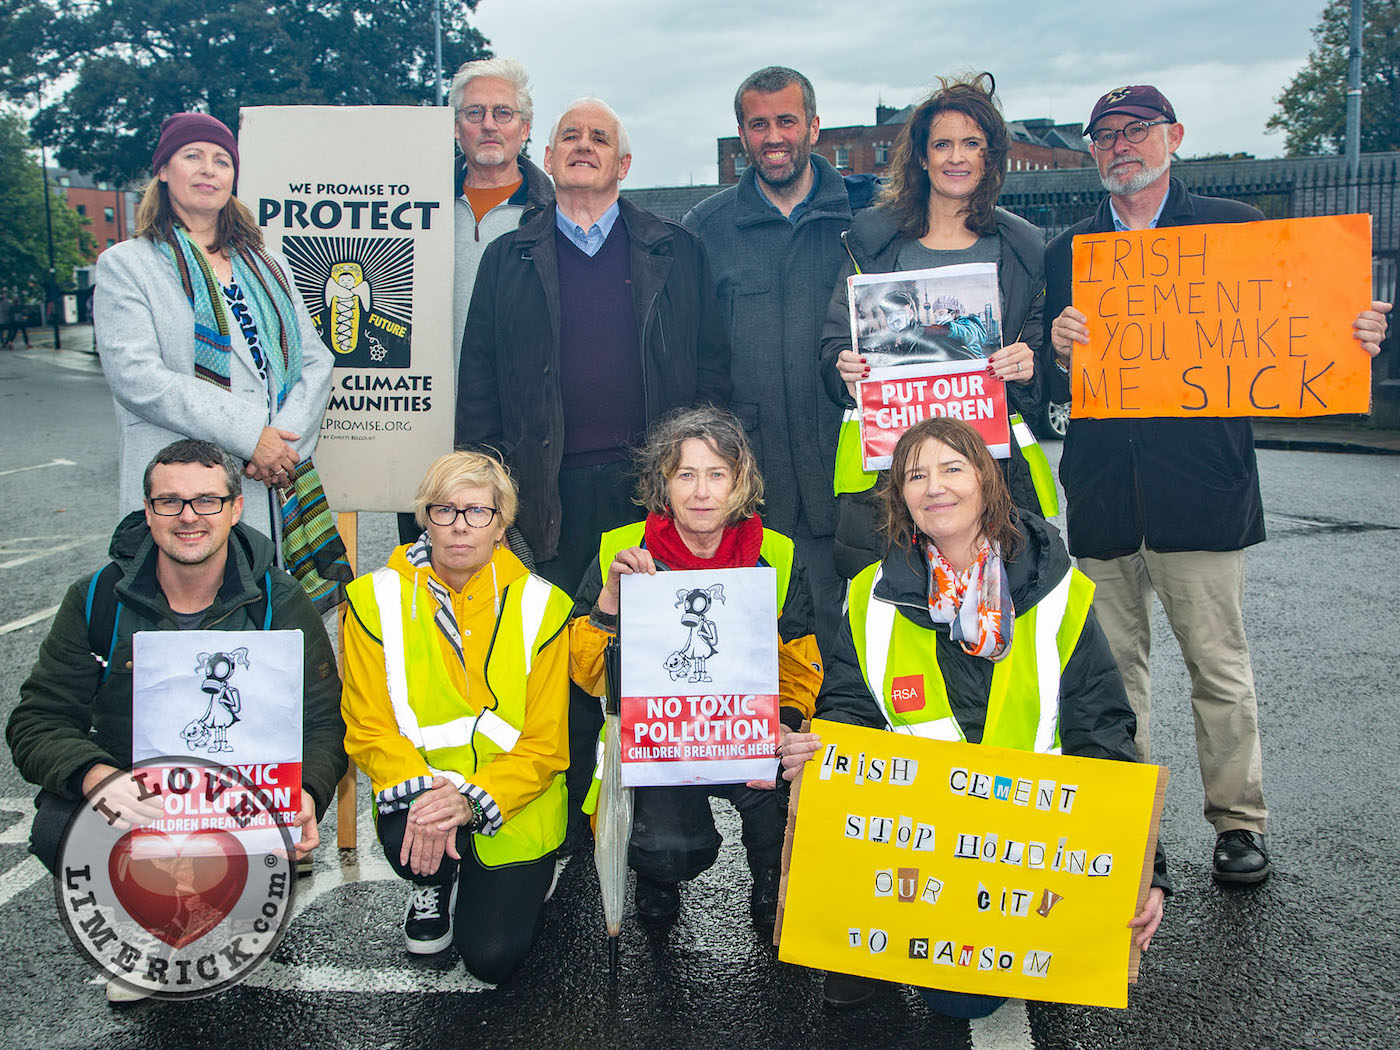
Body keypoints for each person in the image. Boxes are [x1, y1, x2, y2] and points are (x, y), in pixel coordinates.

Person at [1044, 85, 1392, 884]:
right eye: (1104, 136)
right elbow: (1036, 382)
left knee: (1218, 668)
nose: (1119, 146)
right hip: (1102, 497)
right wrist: (1058, 349)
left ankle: (1239, 823)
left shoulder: (1235, 231)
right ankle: (1131, 831)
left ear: (1176, 138)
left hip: (1199, 491)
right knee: (1110, 680)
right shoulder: (1070, 249)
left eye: (1137, 131)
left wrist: (1361, 333)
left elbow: (1307, 331)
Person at [778, 417, 1168, 1014]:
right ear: (900, 496)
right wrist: (819, 748)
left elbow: (1104, 730)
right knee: (952, 998)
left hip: (1029, 852)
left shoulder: (1062, 593)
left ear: (988, 481)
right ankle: (868, 947)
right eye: (916, 475)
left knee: (970, 1001)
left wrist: (1145, 870)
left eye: (953, 468)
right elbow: (849, 710)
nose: (934, 487)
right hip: (922, 848)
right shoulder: (866, 596)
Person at [456, 96, 731, 837]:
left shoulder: (676, 250)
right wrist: (486, 497)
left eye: (599, 137)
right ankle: (571, 824)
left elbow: (712, 369)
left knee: (659, 658)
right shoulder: (506, 257)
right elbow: (479, 387)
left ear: (623, 164)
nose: (583, 146)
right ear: (546, 160)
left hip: (654, 494)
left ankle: (664, 835)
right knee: (560, 659)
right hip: (548, 497)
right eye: (568, 137)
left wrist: (703, 478)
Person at [6, 439, 348, 1001]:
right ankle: (146, 930)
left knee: (238, 902)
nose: (189, 516)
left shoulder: (279, 601)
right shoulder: (97, 599)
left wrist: (308, 792)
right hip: (141, 794)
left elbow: (323, 721)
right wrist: (99, 779)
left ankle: (217, 913)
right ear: (148, 511)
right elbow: (37, 720)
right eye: (171, 502)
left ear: (236, 509)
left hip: (243, 798)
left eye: (207, 501)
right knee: (58, 829)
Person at [570, 407, 822, 928]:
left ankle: (773, 882)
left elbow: (801, 666)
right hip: (660, 739)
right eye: (685, 474)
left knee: (792, 783)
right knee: (669, 849)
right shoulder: (619, 553)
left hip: (746, 731)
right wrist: (610, 602)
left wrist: (787, 722)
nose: (701, 492)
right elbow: (585, 674)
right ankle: (657, 877)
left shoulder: (777, 555)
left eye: (716, 474)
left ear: (739, 482)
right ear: (662, 485)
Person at [340, 451, 574, 982]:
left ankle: (531, 872)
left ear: (501, 524)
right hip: (421, 794)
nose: (459, 527)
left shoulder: (544, 606)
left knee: (491, 958)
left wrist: (470, 800)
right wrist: (426, 797)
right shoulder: (373, 600)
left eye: (477, 512)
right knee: (415, 841)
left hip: (514, 802)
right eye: (444, 511)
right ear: (425, 518)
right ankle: (434, 881)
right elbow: (368, 725)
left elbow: (545, 745)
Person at [820, 75, 1054, 581]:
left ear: (990, 158)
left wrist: (1028, 367)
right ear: (921, 158)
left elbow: (1041, 375)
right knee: (896, 625)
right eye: (942, 144)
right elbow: (834, 341)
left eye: (972, 144)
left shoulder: (1024, 247)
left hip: (990, 475)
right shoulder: (873, 241)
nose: (956, 157)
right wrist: (842, 364)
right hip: (890, 479)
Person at [683, 66, 865, 652]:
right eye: (758, 124)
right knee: (757, 661)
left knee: (856, 657)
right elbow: (689, 362)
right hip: (753, 493)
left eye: (786, 120)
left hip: (852, 482)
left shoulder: (865, 224)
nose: (774, 136)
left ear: (814, 126)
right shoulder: (705, 232)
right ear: (742, 135)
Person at [94, 112, 334, 541]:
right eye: (193, 155)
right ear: (164, 171)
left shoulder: (268, 265)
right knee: (187, 606)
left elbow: (315, 362)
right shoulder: (127, 265)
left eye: (222, 161)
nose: (209, 169)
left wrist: (280, 450)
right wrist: (250, 436)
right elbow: (137, 378)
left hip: (268, 480)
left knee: (263, 600)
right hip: (180, 487)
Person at [395, 56, 555, 546]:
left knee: (520, 572)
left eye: (503, 114)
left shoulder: (552, 218)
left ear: (525, 128)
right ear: (454, 126)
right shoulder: (413, 211)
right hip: (425, 424)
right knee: (426, 571)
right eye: (474, 112)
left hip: (520, 430)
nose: (489, 124)